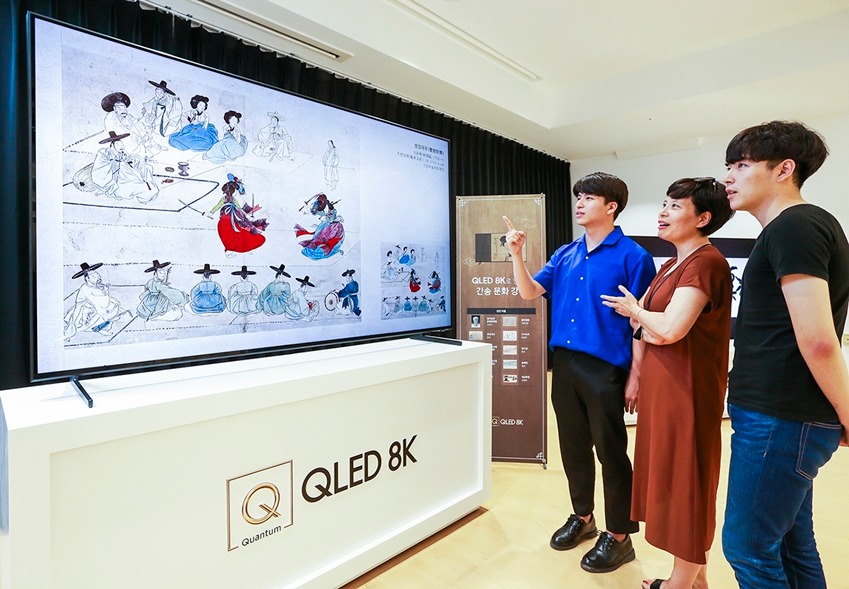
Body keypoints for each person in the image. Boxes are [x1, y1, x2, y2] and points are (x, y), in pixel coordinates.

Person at [503, 171, 656, 574]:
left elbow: (640, 322)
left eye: (589, 197)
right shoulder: (566, 253)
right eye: (579, 196)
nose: (580, 203)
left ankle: (619, 536)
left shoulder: (634, 256)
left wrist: (637, 375)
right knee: (572, 447)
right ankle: (584, 517)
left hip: (607, 367)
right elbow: (529, 292)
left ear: (611, 206)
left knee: (611, 452)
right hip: (566, 364)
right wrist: (517, 254)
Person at [720, 121, 849, 588]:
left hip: (780, 418)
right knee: (792, 544)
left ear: (784, 169)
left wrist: (847, 412)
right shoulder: (791, 228)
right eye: (729, 166)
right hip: (782, 417)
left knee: (748, 548)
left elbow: (818, 340)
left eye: (742, 165)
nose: (729, 177)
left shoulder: (796, 225)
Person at [601, 178, 734, 589]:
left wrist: (638, 313)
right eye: (664, 203)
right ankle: (696, 580)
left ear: (703, 218)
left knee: (686, 485)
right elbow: (651, 330)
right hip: (665, 388)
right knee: (674, 482)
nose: (663, 212)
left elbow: (671, 328)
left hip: (687, 392)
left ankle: (681, 583)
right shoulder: (670, 265)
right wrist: (645, 322)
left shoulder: (706, 263)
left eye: (675, 206)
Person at [63, 262, 128, 339]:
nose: (97, 277)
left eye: (97, 274)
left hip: (92, 308)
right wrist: (106, 292)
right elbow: (104, 304)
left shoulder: (94, 286)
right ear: (87, 279)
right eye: (93, 276)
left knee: (114, 308)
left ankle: (100, 327)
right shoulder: (87, 289)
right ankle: (99, 328)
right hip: (83, 313)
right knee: (110, 309)